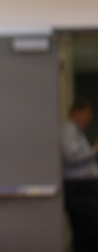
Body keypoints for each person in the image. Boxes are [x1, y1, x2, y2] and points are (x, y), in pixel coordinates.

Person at [62, 98, 98, 252]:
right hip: (78, 190)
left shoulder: (78, 132)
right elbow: (71, 157)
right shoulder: (68, 130)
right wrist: (95, 151)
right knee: (90, 231)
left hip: (84, 189)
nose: (88, 120)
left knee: (85, 232)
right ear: (75, 113)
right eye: (86, 115)